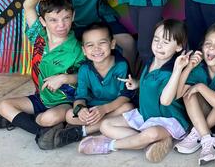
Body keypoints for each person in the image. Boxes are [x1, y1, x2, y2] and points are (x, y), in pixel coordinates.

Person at [77, 19, 190, 163]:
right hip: (145, 115)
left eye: (166, 42)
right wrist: (136, 83)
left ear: (179, 46)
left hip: (166, 120)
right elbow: (149, 84)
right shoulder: (152, 60)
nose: (159, 45)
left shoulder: (170, 71)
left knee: (151, 133)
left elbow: (166, 100)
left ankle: (110, 145)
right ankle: (149, 142)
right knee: (105, 125)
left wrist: (178, 69)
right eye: (156, 40)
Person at [0, 0, 85, 150]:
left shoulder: (77, 48)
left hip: (64, 102)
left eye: (66, 18)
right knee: (3, 106)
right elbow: (28, 7)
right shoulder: (39, 37)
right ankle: (40, 131)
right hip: (41, 98)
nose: (61, 25)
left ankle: (27, 121)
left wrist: (64, 78)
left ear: (73, 16)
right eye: (53, 20)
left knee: (49, 118)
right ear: (43, 21)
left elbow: (86, 76)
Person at [46, 22, 135, 149]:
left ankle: (83, 131)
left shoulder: (121, 65)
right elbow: (80, 96)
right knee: (70, 115)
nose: (96, 49)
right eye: (90, 45)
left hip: (114, 106)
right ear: (84, 50)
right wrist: (81, 110)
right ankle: (101, 125)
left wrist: (104, 109)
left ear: (112, 44)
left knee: (128, 107)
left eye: (102, 43)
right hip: (93, 109)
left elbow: (125, 96)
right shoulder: (84, 69)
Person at [171, 23, 215, 164]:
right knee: (189, 93)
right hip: (202, 119)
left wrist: (200, 86)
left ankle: (198, 132)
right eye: (208, 43)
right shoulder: (199, 68)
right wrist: (188, 68)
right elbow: (177, 95)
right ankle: (207, 138)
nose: (212, 47)